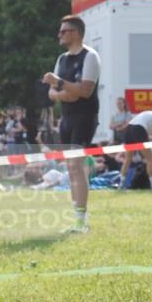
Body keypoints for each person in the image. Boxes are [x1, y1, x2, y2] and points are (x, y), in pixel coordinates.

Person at [42, 14, 102, 233]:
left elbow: (85, 91)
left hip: (85, 118)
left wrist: (59, 84)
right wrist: (65, 92)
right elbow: (52, 93)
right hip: (66, 118)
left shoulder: (90, 56)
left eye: (63, 31)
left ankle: (81, 220)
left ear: (75, 33)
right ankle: (77, 217)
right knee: (70, 168)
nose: (59, 34)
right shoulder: (62, 59)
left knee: (77, 166)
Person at [119, 107, 152, 189]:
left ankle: (121, 183)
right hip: (139, 129)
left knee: (128, 159)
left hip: (129, 129)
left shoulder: (151, 115)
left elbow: (149, 137)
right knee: (150, 159)